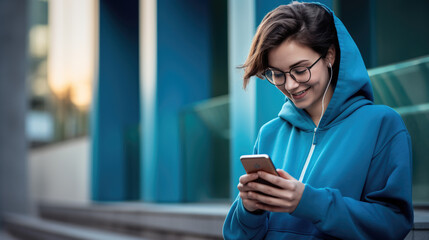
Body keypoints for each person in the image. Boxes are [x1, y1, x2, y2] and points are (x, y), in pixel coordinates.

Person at [223, 1, 414, 239]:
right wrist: (249, 209)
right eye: (278, 74)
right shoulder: (269, 133)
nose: (290, 85)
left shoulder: (382, 125)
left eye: (300, 70)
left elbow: (393, 223)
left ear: (330, 55)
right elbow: (237, 235)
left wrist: (308, 202)